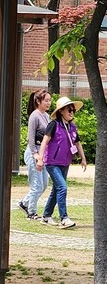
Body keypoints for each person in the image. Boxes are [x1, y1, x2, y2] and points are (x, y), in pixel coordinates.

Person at [36, 97, 87, 228]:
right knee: (62, 187)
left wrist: (83, 158)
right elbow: (44, 142)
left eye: (73, 110)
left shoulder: (72, 126)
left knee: (57, 189)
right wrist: (40, 159)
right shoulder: (54, 125)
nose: (72, 112)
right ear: (61, 111)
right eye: (69, 110)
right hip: (52, 162)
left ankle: (46, 216)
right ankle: (64, 218)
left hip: (65, 163)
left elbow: (77, 143)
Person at [18, 90, 52, 220]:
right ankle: (31, 212)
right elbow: (31, 138)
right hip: (34, 153)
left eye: (49, 100)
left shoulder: (46, 116)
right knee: (36, 185)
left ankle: (24, 203)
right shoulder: (34, 116)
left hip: (43, 153)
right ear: (38, 101)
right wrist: (36, 155)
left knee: (44, 184)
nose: (49, 103)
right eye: (46, 100)